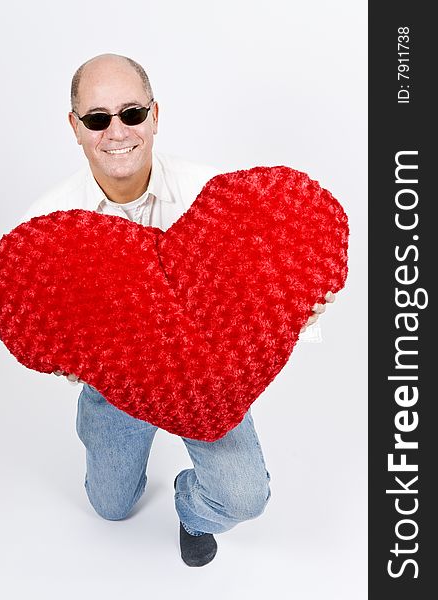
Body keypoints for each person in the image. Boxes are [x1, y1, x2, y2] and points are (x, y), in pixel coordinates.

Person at [20, 53, 334, 567]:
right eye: (98, 118)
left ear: (156, 116)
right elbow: (41, 327)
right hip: (115, 382)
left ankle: (193, 511)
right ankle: (119, 465)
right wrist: (66, 357)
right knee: (110, 507)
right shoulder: (47, 230)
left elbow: (268, 289)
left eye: (132, 113)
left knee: (244, 497)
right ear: (75, 128)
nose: (117, 131)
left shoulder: (218, 198)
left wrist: (301, 310)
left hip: (208, 375)